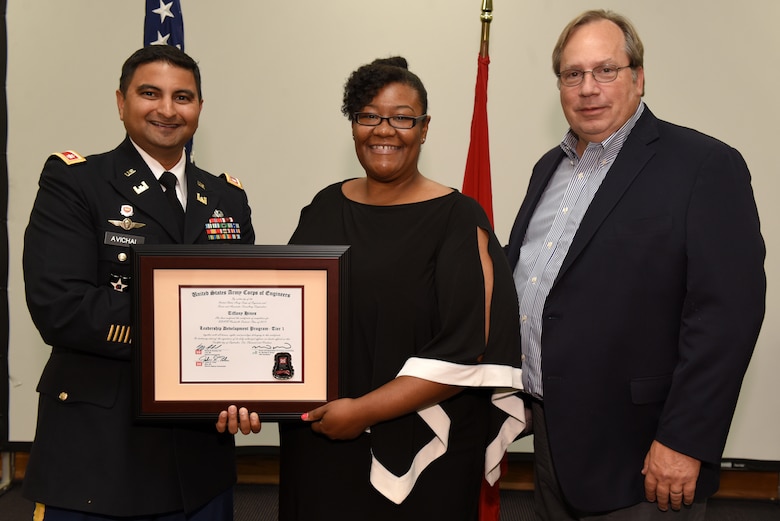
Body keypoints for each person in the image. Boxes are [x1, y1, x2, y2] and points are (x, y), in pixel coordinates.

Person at [505, 9, 766, 520]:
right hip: (551, 442)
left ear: (639, 78)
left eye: (606, 70)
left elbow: (726, 318)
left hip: (645, 458)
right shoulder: (548, 168)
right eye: (572, 74)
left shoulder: (703, 166)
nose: (588, 88)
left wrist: (684, 440)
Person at [268, 56, 523, 521]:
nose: (384, 130)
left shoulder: (458, 218)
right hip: (321, 439)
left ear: (424, 129)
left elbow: (469, 348)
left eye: (402, 118)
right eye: (369, 116)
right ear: (353, 125)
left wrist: (363, 412)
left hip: (425, 447)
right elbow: (284, 314)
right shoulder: (324, 207)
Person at [22, 45, 256, 520]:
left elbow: (244, 311)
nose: (167, 109)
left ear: (199, 108)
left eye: (183, 97)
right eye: (150, 93)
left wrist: (249, 383)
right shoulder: (76, 183)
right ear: (121, 101)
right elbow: (60, 306)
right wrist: (194, 334)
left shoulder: (228, 198)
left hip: (200, 465)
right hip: (98, 458)